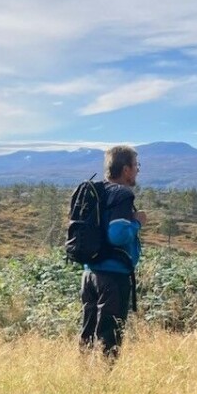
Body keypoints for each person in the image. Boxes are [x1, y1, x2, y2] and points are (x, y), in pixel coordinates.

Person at [78, 145, 145, 360]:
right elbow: (116, 234)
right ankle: (103, 386)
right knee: (109, 338)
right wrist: (137, 224)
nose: (137, 170)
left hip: (89, 275)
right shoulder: (123, 194)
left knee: (88, 333)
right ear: (126, 169)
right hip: (113, 278)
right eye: (136, 166)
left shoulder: (98, 192)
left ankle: (84, 380)